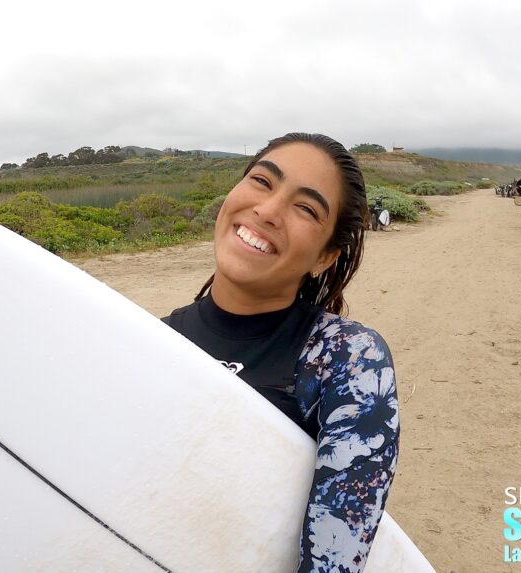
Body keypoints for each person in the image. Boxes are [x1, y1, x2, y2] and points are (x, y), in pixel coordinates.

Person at [161, 133, 398, 572]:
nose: (267, 211)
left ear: (325, 256)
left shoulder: (345, 358)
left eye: (305, 208)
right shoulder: (155, 340)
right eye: (261, 181)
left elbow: (335, 553)